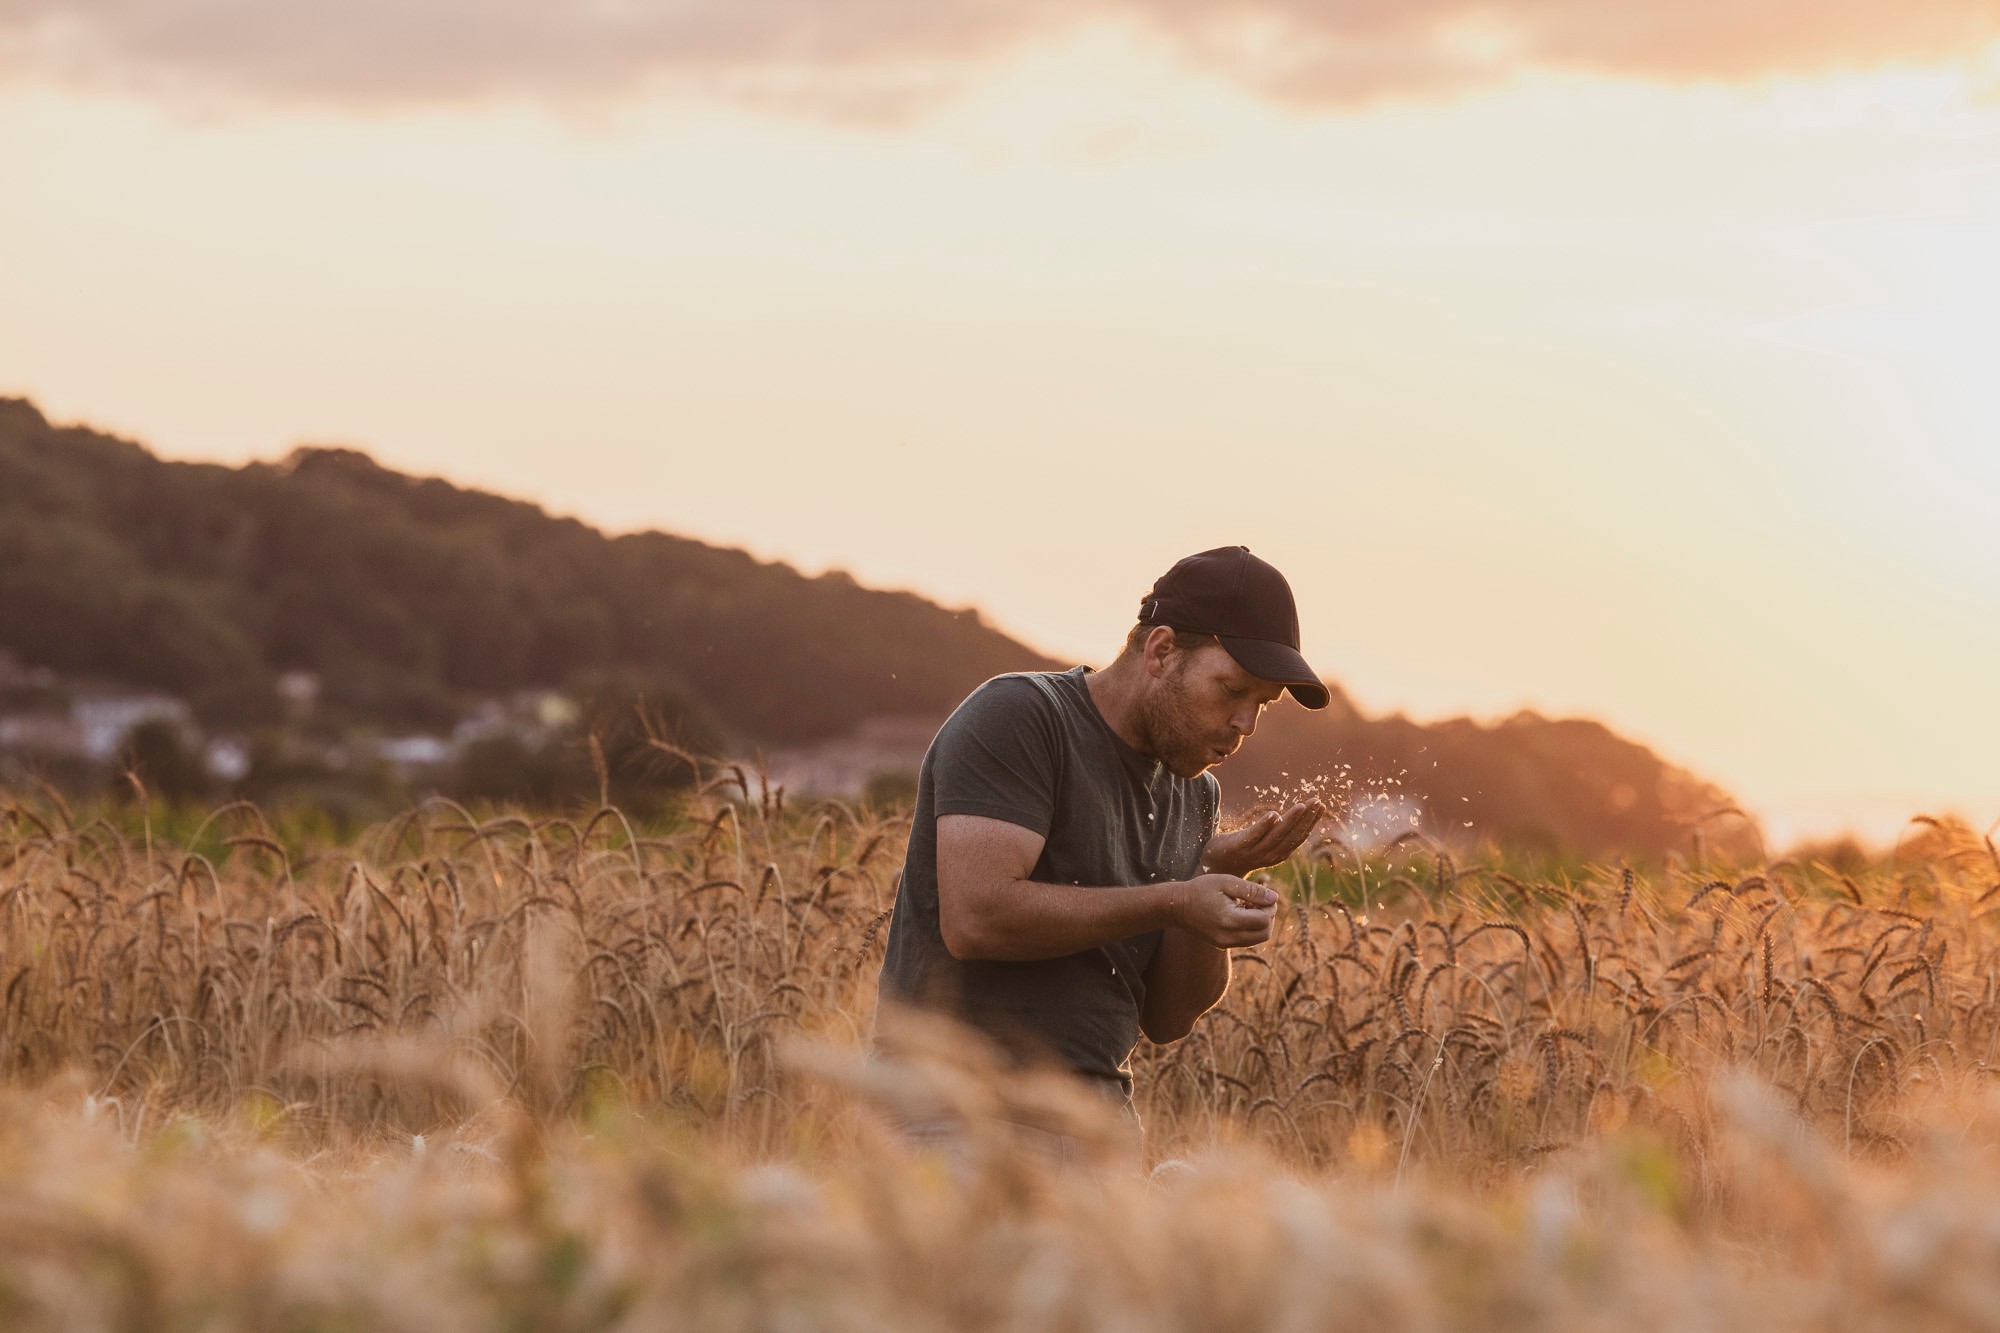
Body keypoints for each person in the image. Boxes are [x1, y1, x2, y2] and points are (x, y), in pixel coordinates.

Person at [874, 546, 1330, 1145]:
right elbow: (977, 917)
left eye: (1261, 705)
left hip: (1099, 1134)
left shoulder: (1195, 797)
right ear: (1161, 651)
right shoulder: (1022, 718)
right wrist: (1173, 900)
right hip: (955, 1116)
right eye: (1231, 689)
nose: (1245, 723)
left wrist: (1214, 870)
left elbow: (1167, 1018)